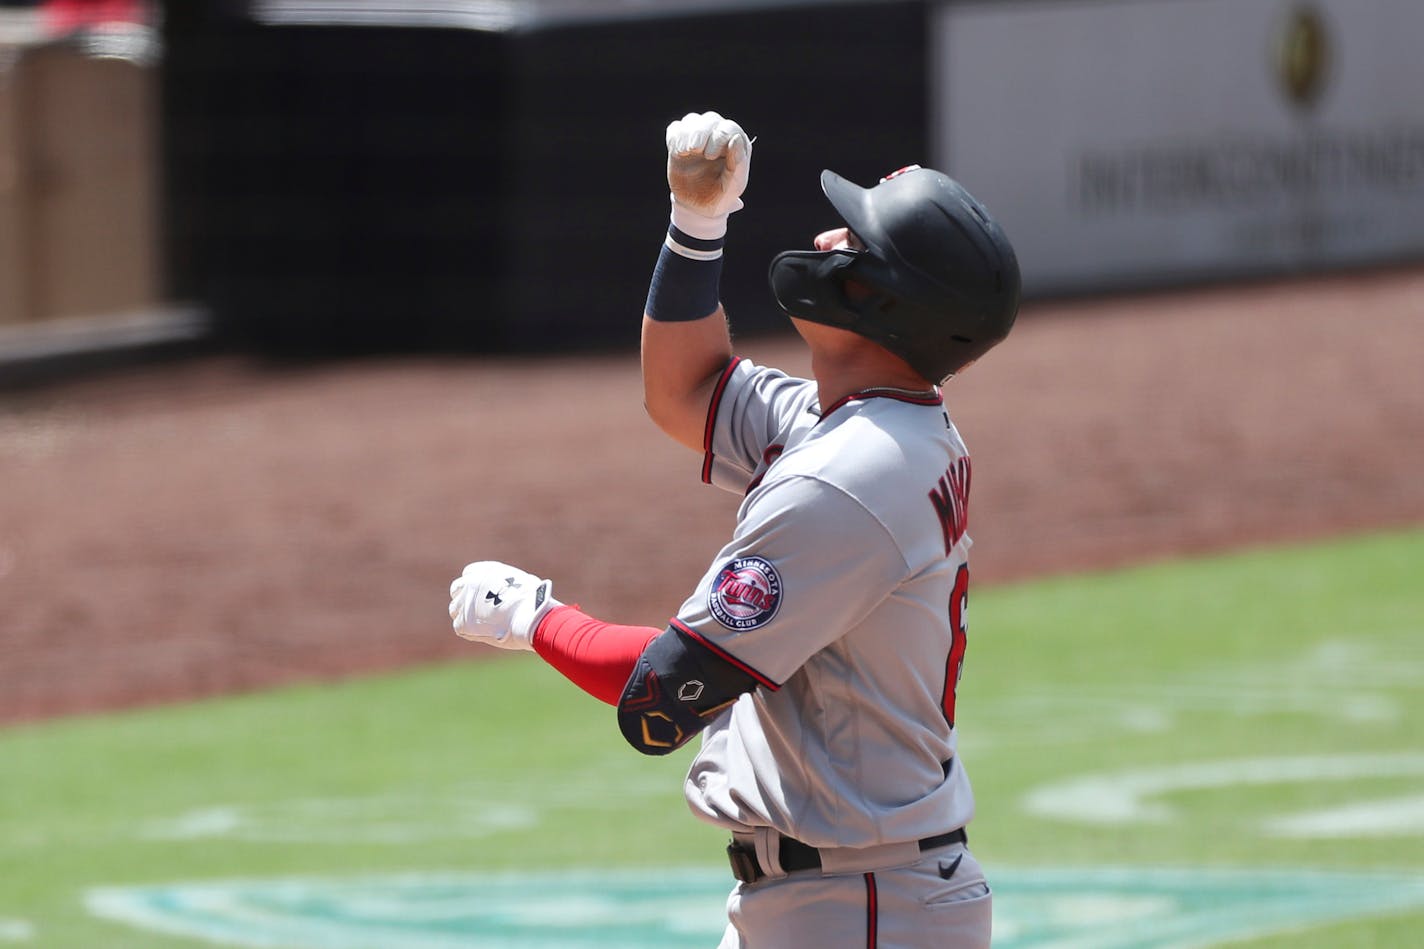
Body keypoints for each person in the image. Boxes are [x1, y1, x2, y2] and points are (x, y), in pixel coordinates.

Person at [448, 110, 1020, 948]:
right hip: (845, 893)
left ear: (882, 300)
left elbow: (663, 694)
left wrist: (534, 619)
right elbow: (684, 390)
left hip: (862, 907)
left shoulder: (850, 477)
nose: (828, 238)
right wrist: (696, 223)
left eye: (853, 242)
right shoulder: (861, 426)